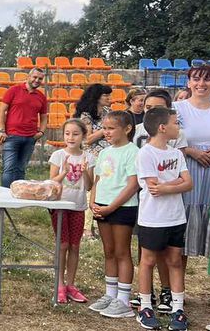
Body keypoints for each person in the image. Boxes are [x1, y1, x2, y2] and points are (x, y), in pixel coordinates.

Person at [135, 107, 192, 331]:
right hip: (153, 218)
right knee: (148, 261)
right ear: (162, 127)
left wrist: (169, 185)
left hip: (176, 217)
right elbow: (153, 188)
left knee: (175, 261)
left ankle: (178, 309)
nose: (179, 127)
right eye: (176, 123)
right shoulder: (146, 154)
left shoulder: (177, 154)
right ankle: (145, 307)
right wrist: (175, 184)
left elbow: (189, 184)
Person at [87, 110, 139, 319]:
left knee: (121, 252)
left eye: (110, 129)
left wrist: (112, 207)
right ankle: (111, 294)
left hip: (122, 207)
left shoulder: (132, 152)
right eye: (104, 128)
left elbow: (133, 185)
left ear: (126, 129)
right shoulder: (105, 152)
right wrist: (93, 201)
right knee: (108, 251)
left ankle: (124, 300)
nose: (105, 133)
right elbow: (98, 180)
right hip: (102, 205)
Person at [174, 65, 210, 289]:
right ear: (188, 82)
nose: (202, 84)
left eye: (208, 79)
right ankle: (175, 291)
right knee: (181, 241)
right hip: (186, 175)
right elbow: (167, 141)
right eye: (196, 79)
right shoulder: (177, 109)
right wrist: (191, 151)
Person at [48, 118, 95, 304]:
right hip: (59, 207)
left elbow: (90, 185)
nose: (71, 137)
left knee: (75, 245)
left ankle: (70, 284)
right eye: (67, 133)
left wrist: (84, 171)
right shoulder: (58, 155)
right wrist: (64, 171)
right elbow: (52, 182)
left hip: (78, 207)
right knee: (63, 244)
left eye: (75, 134)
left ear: (83, 136)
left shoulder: (89, 157)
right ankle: (59, 284)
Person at [0, 67, 48, 187]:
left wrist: (41, 132)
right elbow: (2, 110)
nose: (37, 80)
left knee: (21, 169)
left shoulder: (41, 97)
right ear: (28, 77)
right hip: (12, 136)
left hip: (30, 138)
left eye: (40, 79)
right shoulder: (14, 90)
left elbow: (44, 117)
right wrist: (2, 130)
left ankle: (18, 196)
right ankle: (3, 200)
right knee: (9, 168)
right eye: (35, 77)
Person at [73, 83, 114, 155]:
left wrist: (96, 133)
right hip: (92, 153)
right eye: (105, 95)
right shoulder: (85, 115)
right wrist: (105, 129)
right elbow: (87, 140)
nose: (109, 98)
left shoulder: (108, 111)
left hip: (109, 150)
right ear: (96, 97)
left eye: (109, 95)